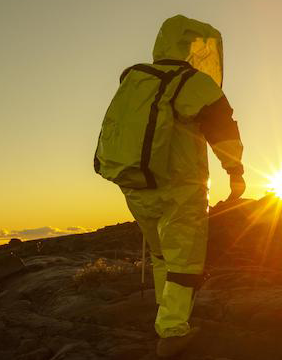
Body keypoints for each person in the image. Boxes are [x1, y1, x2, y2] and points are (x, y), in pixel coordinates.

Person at [95, 15, 245, 357]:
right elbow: (223, 129)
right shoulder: (193, 82)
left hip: (135, 182)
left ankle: (168, 312)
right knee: (186, 259)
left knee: (163, 253)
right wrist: (235, 171)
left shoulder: (135, 79)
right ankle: (173, 331)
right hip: (180, 184)